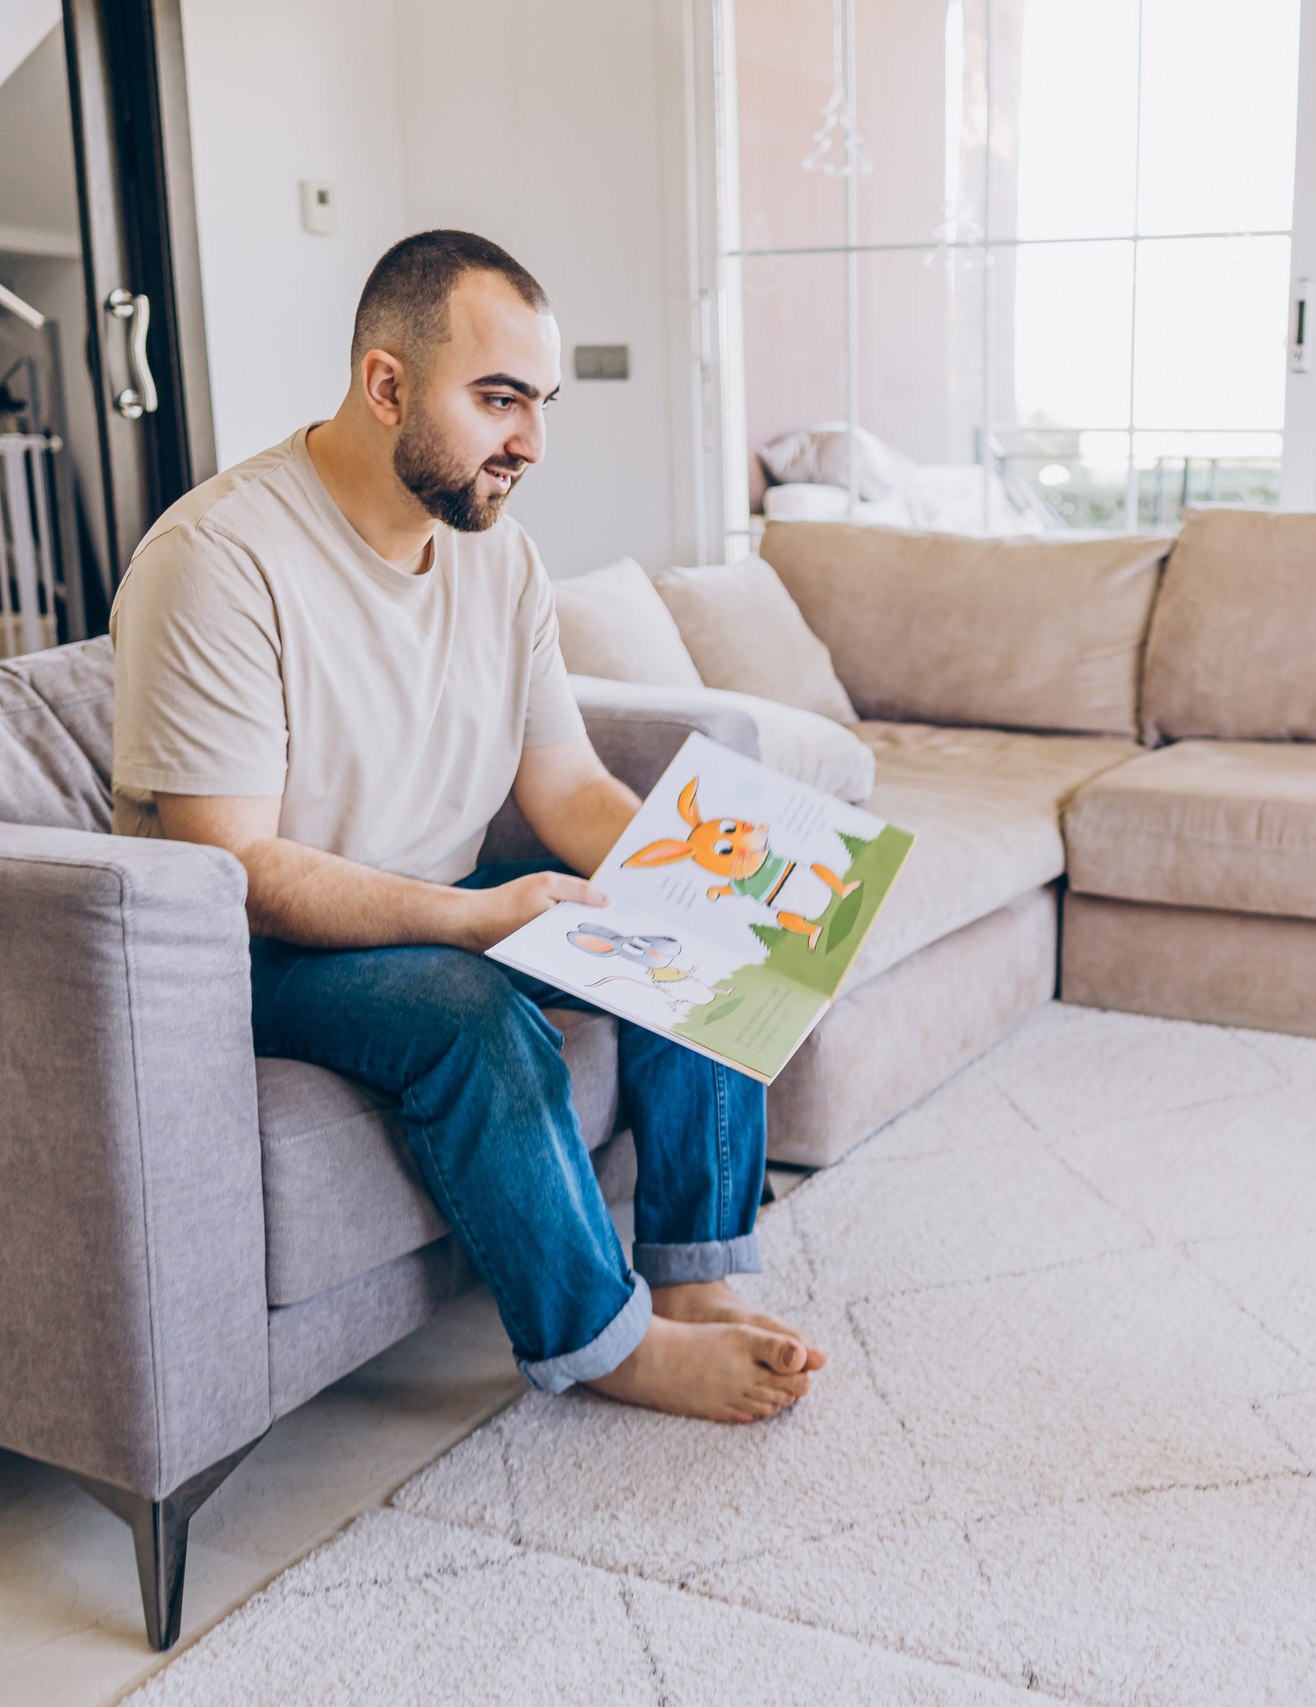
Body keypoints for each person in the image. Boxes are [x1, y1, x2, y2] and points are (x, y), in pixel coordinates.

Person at [108, 229, 824, 1424]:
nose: (529, 443)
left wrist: (714, 879)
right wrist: (474, 921)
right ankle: (604, 1342)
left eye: (539, 404)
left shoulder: (500, 558)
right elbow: (228, 866)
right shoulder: (219, 560)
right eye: (499, 400)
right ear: (387, 386)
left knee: (686, 931)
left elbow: (569, 790)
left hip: (433, 898)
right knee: (470, 1009)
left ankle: (695, 1276)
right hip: (259, 951)